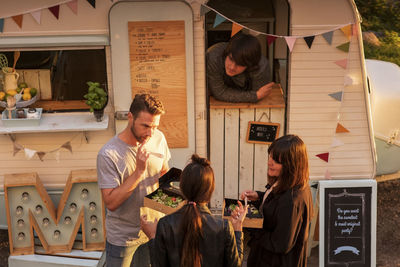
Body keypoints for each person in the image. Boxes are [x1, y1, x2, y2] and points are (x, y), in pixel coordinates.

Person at [97, 94, 171, 267]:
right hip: (123, 238)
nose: (150, 132)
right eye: (145, 126)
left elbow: (164, 174)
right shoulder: (108, 154)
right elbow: (111, 203)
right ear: (130, 117)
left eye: (154, 126)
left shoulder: (158, 138)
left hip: (153, 231)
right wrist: (139, 171)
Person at [140, 154, 247, 267]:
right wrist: (238, 230)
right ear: (211, 190)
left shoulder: (165, 224)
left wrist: (152, 237)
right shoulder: (224, 227)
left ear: (182, 188)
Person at [240, 134, 313, 267]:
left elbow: (280, 244)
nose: (269, 162)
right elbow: (277, 205)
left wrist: (251, 225)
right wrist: (259, 196)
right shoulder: (288, 183)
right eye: (270, 156)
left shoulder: (292, 200)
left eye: (277, 161)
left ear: (292, 165)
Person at [206, 33, 275, 103]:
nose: (232, 67)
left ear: (250, 65)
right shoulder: (214, 57)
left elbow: (259, 96)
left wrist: (255, 96)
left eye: (240, 64)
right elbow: (220, 92)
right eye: (231, 59)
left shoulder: (261, 66)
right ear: (227, 53)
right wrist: (255, 96)